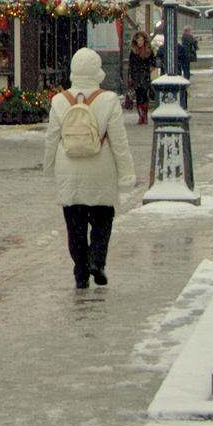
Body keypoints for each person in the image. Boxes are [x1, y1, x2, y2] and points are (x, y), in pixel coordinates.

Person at [42, 47, 136, 289]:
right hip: (100, 168)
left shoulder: (59, 100)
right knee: (103, 218)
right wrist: (126, 172)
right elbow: (119, 141)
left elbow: (52, 138)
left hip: (68, 168)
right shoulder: (109, 99)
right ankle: (97, 259)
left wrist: (49, 167)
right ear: (97, 71)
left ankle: (80, 271)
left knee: (75, 224)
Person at [128, 32, 155, 125]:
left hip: (145, 76)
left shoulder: (148, 51)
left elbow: (153, 62)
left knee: (145, 96)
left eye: (141, 40)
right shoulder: (133, 52)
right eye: (138, 40)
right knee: (138, 96)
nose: (140, 42)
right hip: (136, 76)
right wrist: (130, 77)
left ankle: (144, 115)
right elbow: (130, 65)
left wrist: (148, 70)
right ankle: (140, 117)